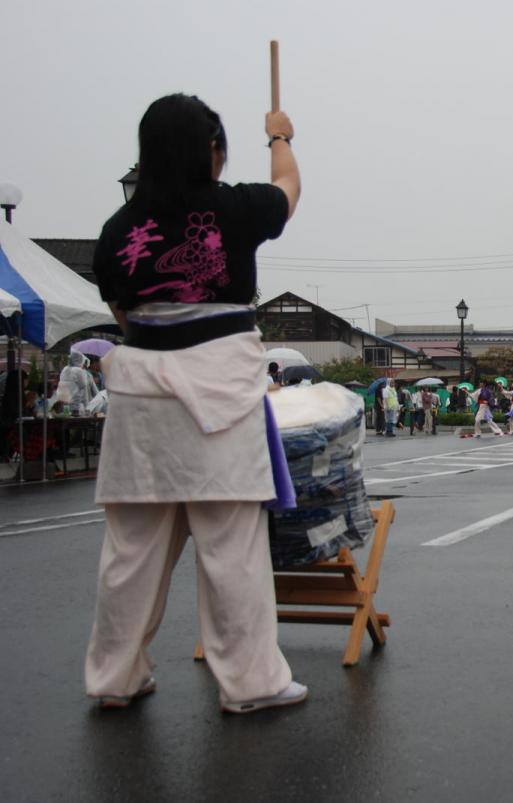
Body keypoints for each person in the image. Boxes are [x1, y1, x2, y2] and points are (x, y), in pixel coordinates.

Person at [85, 94, 305, 713]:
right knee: (230, 546)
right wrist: (281, 137)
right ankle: (251, 684)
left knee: (130, 552)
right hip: (218, 390)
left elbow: (122, 314)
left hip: (140, 394)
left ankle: (114, 677)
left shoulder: (118, 229)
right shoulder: (232, 207)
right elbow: (287, 189)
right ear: (212, 150)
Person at [57, 352, 99, 416]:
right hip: (78, 407)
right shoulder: (81, 371)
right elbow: (84, 385)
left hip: (64, 406)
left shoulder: (64, 370)